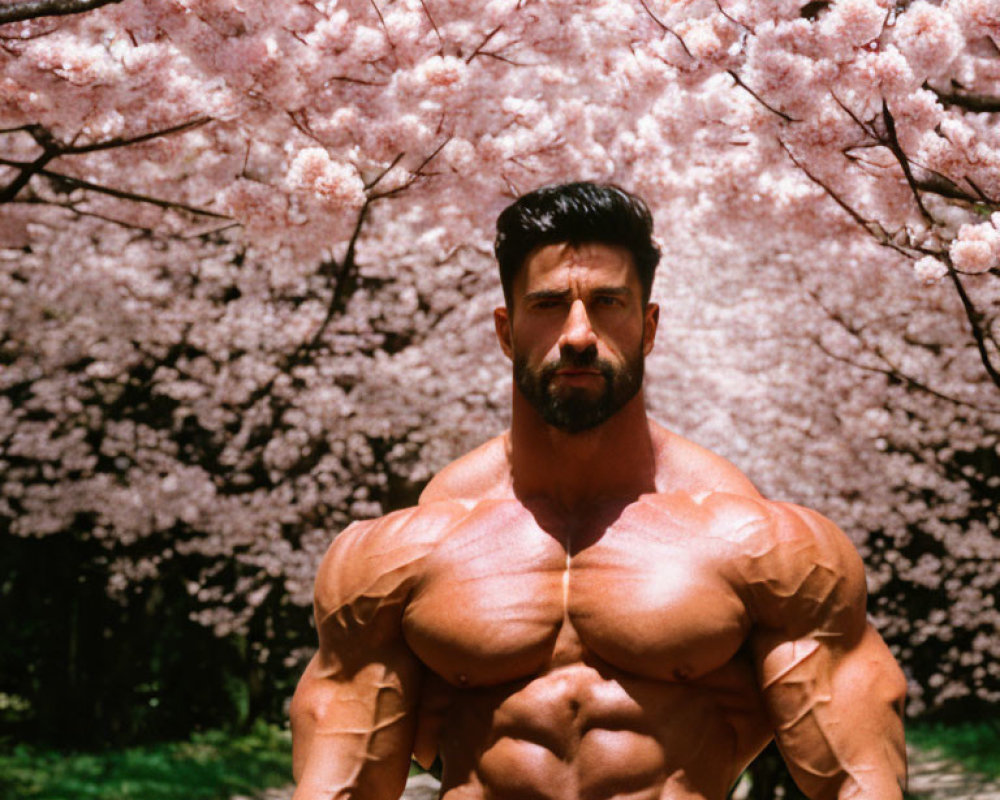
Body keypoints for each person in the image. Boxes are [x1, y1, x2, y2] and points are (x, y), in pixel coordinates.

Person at [289, 182, 907, 800]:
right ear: (506, 331)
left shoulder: (762, 546)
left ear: (649, 325)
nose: (579, 333)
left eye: (608, 301)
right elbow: (339, 787)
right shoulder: (401, 555)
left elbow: (859, 784)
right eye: (549, 304)